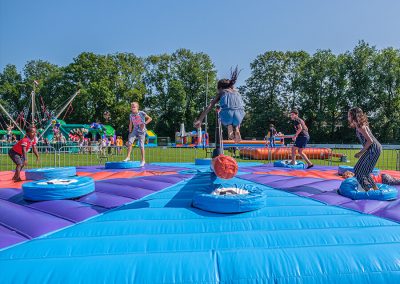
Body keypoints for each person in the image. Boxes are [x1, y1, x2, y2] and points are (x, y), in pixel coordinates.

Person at [194, 67, 245, 143]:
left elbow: (210, 106)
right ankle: (237, 129)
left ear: (220, 88)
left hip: (227, 114)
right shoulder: (236, 92)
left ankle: (229, 128)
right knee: (236, 120)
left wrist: (200, 120)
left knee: (223, 116)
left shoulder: (222, 92)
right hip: (240, 114)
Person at [348, 107, 382, 191]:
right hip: (373, 149)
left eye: (349, 115)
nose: (347, 117)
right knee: (360, 170)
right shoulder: (358, 125)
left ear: (353, 116)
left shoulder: (360, 127)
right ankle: (375, 188)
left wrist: (360, 153)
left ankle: (367, 190)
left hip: (374, 149)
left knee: (360, 172)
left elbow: (370, 141)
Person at [124, 102, 152, 166]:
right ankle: (128, 157)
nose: (133, 108)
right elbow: (130, 124)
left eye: (134, 107)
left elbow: (150, 118)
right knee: (130, 142)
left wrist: (144, 123)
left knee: (141, 145)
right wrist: (130, 132)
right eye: (132, 107)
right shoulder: (131, 115)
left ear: (137, 108)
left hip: (142, 130)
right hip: (135, 129)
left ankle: (143, 160)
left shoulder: (141, 113)